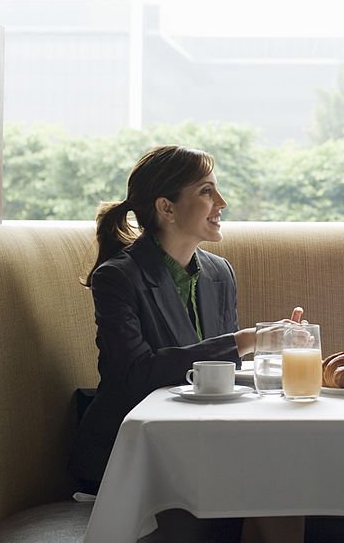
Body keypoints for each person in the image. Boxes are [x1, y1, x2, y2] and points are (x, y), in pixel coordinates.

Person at [69, 144, 302, 542]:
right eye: (207, 191)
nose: (222, 202)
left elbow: (222, 378)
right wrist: (243, 341)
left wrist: (271, 364)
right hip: (131, 455)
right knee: (271, 486)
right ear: (167, 207)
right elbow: (136, 375)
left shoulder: (218, 273)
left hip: (200, 442)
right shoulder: (118, 278)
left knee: (281, 480)